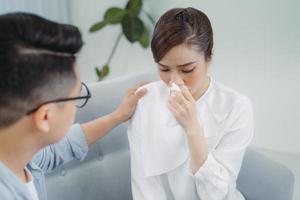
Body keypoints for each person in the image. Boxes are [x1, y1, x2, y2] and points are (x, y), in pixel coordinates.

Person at [0, 12, 147, 200]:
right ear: (45, 116)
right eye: (77, 96)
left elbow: (61, 147)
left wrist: (117, 116)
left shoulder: (20, 152)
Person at [127, 7, 254, 200]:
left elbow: (218, 195)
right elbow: (145, 188)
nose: (175, 81)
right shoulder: (144, 101)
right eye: (164, 69)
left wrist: (193, 129)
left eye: (187, 70)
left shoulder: (236, 107)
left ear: (209, 56)